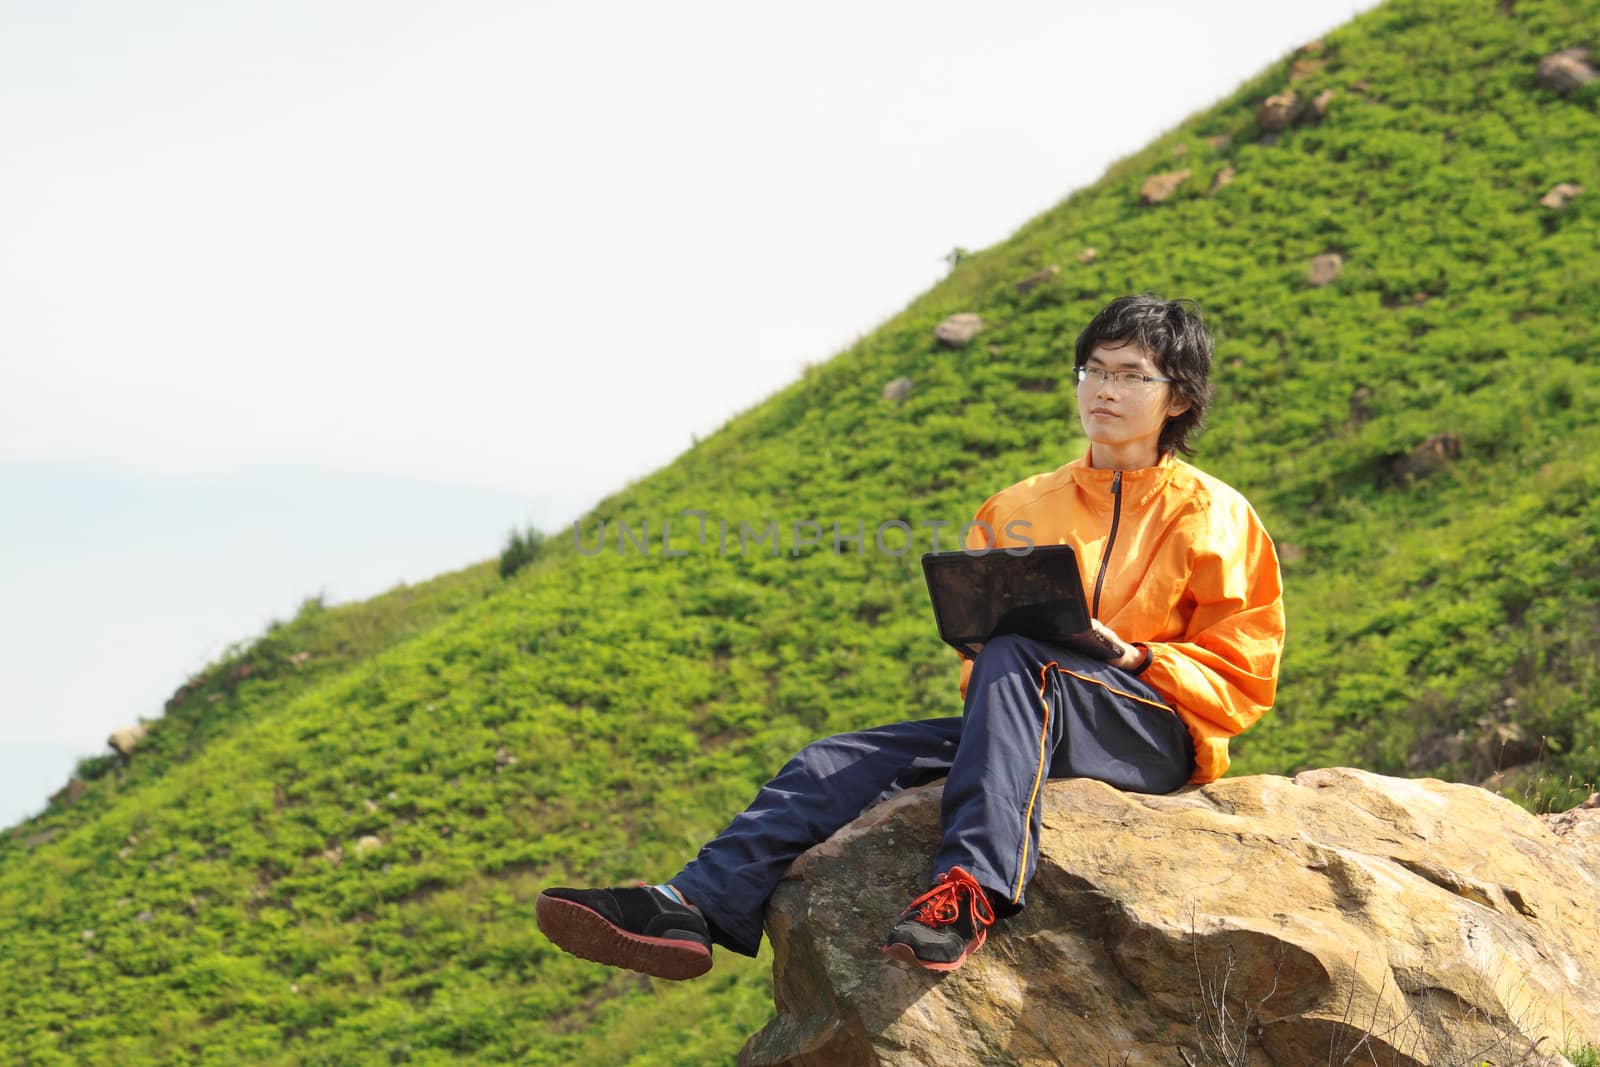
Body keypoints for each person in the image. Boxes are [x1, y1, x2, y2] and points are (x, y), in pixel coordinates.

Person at [536, 293, 1285, 978]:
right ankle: (692, 902)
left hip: (1148, 728)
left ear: (1178, 396)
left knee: (1022, 654)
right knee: (837, 759)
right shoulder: (1021, 503)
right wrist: (987, 651)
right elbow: (982, 653)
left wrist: (1136, 655)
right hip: (1027, 714)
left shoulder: (1218, 514)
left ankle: (967, 892)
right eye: (1092, 370)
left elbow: (1245, 671)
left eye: (1130, 375)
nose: (1104, 390)